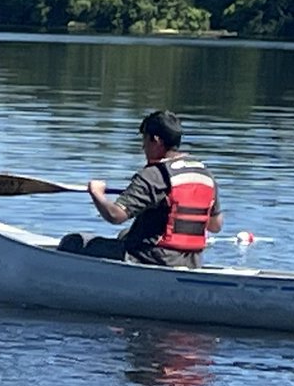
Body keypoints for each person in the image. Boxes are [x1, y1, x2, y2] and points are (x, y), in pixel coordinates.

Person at [59, 110, 223, 268]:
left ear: (156, 140)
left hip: (152, 258)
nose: (143, 147)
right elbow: (215, 225)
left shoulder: (153, 175)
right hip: (191, 261)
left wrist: (96, 193)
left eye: (144, 140)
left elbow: (115, 215)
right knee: (125, 234)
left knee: (72, 242)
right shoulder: (205, 174)